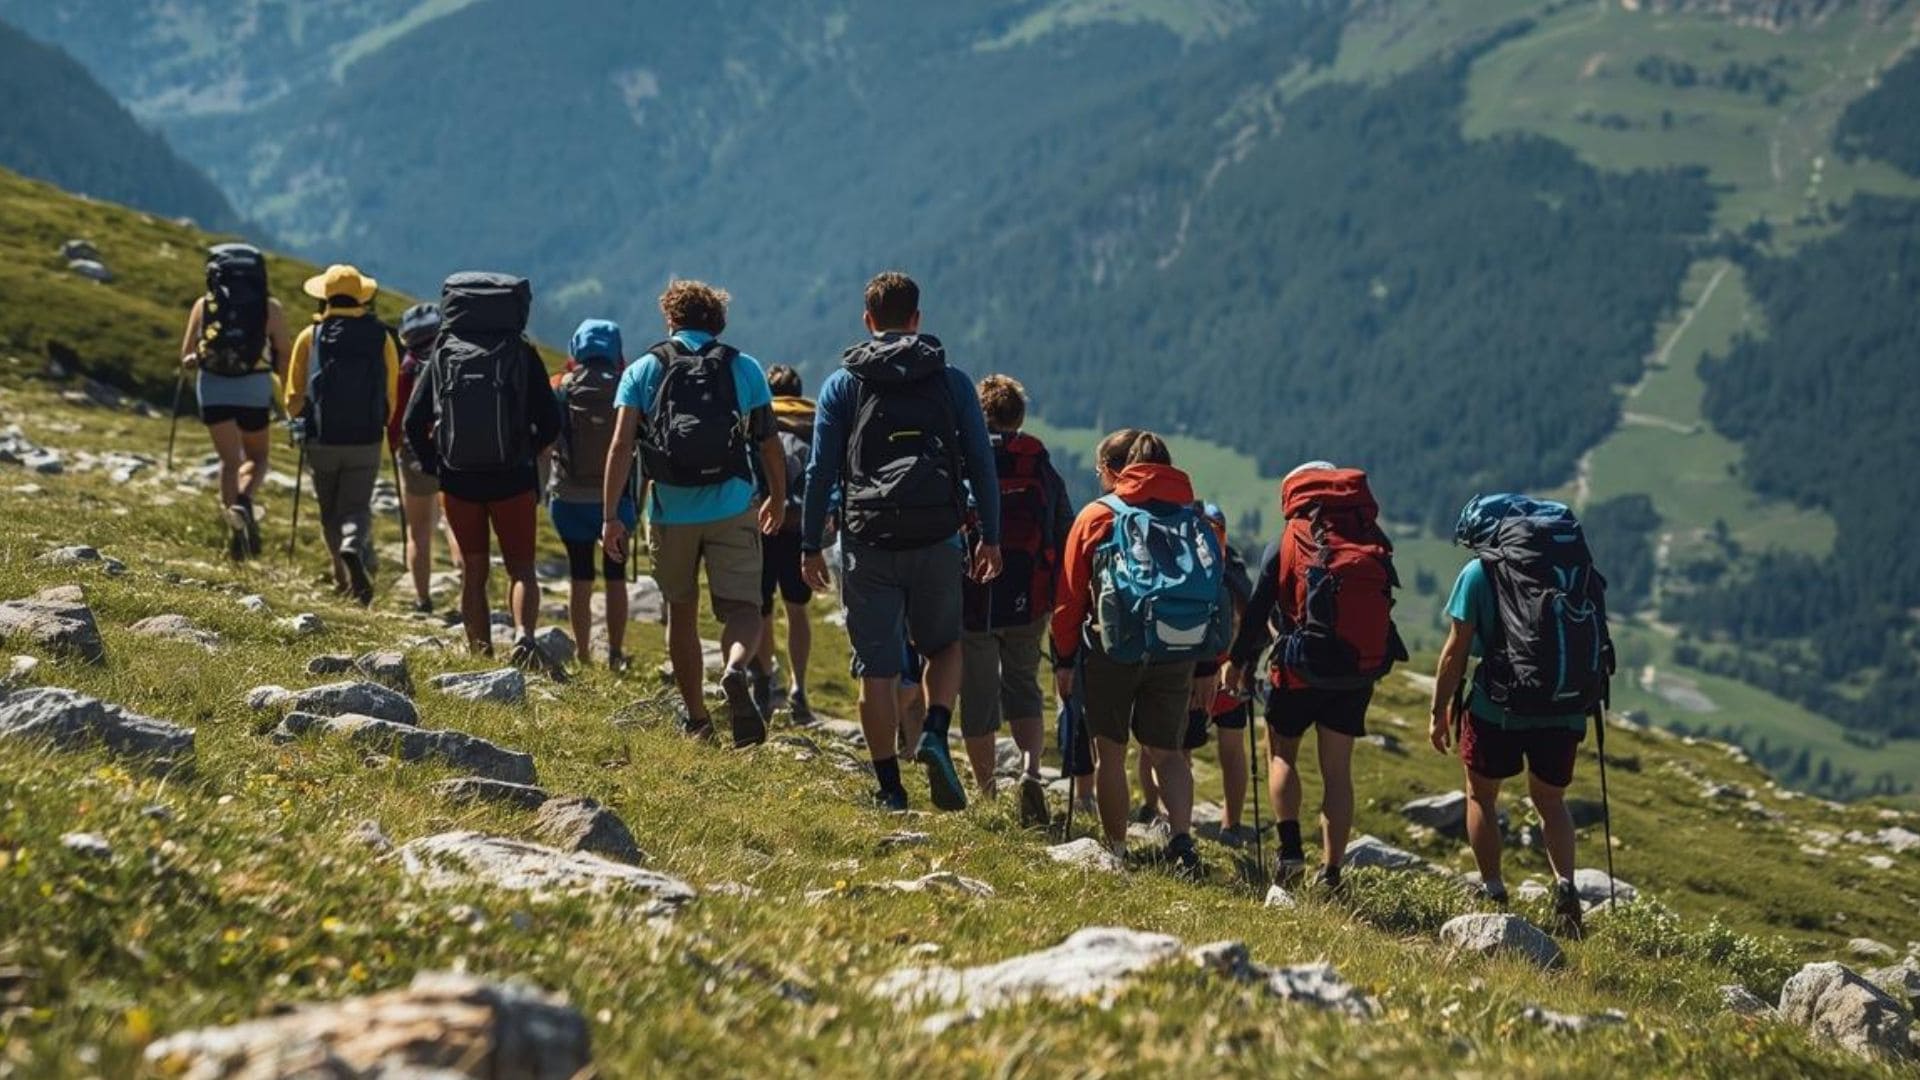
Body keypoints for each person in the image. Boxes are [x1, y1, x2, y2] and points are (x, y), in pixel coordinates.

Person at [800, 272, 1002, 813]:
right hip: (938, 533)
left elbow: (821, 470)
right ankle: (935, 729)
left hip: (868, 537)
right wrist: (990, 536)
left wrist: (809, 542)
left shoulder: (843, 384)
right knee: (944, 647)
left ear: (868, 321)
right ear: (917, 319)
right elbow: (981, 462)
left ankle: (890, 787)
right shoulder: (952, 380)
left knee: (878, 669)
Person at [600, 281, 785, 747]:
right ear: (717, 323)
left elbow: (622, 446)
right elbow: (767, 441)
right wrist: (777, 497)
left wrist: (611, 516)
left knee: (681, 613)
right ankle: (736, 668)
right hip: (732, 504)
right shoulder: (744, 367)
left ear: (671, 320)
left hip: (670, 510)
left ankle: (699, 722)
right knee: (744, 609)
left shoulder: (643, 369)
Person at [1427, 494, 1612, 939]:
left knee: (1482, 797)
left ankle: (1492, 890)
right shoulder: (1575, 572)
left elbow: (1455, 653)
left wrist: (1438, 710)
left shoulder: (1478, 573)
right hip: (1565, 706)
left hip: (1500, 707)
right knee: (1551, 802)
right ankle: (1565, 887)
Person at [1052, 429, 1228, 877]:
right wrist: (1209, 665)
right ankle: (1183, 844)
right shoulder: (1198, 521)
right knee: (1168, 753)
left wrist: (1065, 659)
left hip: (1113, 648)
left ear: (1124, 467)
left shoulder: (1098, 516)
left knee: (1110, 752)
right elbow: (1214, 597)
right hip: (1179, 647)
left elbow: (1069, 599)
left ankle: (1116, 850)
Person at [1228, 462, 1405, 890]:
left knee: (1282, 755)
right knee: (1337, 771)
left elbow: (1256, 609)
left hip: (1298, 671)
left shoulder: (1288, 540)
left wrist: (1239, 660)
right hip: (1355, 673)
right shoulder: (1370, 537)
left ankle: (1290, 851)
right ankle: (1332, 873)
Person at [402, 272, 562, 671]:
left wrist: (435, 465)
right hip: (513, 478)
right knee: (521, 567)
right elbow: (551, 420)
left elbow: (411, 421)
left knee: (473, 570)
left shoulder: (443, 351)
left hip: (458, 479)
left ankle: (480, 654)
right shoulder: (520, 352)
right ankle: (524, 638)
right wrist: (527, 450)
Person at [959, 374, 1071, 826]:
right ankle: (1029, 771)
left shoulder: (967, 455)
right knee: (1024, 684)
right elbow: (1063, 527)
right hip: (1030, 594)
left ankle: (985, 794)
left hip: (976, 595)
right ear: (1018, 416)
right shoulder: (1038, 462)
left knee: (979, 693)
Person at [282, 264, 399, 606]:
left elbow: (293, 396)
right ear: (362, 295)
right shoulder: (381, 336)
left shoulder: (311, 336)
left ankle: (342, 577)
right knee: (356, 507)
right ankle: (353, 544)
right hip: (366, 439)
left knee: (329, 510)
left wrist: (301, 420)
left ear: (326, 296)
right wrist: (383, 423)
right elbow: (391, 392)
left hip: (324, 439)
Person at [1139, 504, 1254, 841]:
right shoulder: (1232, 570)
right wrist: (1241, 665)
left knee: (1163, 746)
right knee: (1231, 748)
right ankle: (1230, 825)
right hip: (1230, 672)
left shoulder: (1173, 562)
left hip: (1183, 670)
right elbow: (1253, 622)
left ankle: (1164, 818)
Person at [178, 243, 291, 560]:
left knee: (229, 460)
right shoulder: (271, 308)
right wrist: (289, 397)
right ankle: (243, 501)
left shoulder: (204, 305)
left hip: (212, 388)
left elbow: (187, 354)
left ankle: (235, 530)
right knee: (257, 456)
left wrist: (192, 362)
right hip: (253, 389)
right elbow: (283, 355)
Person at [548, 318, 634, 669]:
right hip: (616, 501)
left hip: (568, 498)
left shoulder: (560, 387)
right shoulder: (627, 388)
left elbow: (547, 439)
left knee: (579, 575)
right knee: (616, 577)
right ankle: (614, 653)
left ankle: (582, 654)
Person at [753, 364, 817, 722]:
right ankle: (799, 687)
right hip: (799, 526)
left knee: (763, 607)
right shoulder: (813, 422)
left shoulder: (762, 418)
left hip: (764, 523)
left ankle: (763, 683)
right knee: (797, 608)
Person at [390, 303, 459, 613]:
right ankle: (467, 583)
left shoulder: (407, 366)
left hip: (416, 453)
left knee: (418, 531)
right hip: (454, 451)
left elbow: (399, 414)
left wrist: (394, 445)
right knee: (455, 521)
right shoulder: (456, 357)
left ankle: (422, 599)